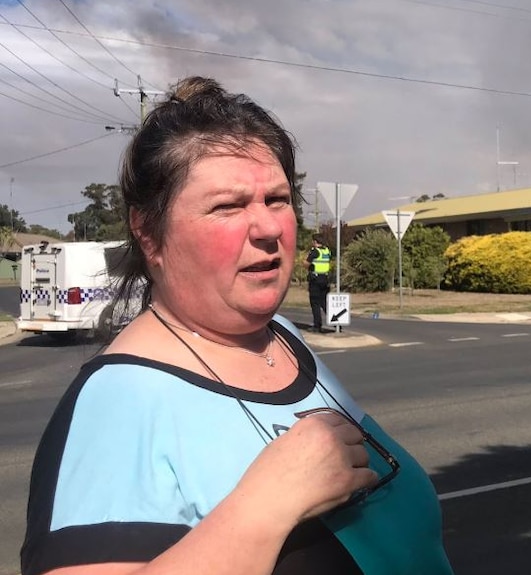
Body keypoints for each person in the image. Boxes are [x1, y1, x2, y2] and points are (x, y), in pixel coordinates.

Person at [21, 77, 454, 575]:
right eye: (228, 206)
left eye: (277, 199)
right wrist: (265, 506)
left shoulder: (283, 339)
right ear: (148, 233)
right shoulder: (117, 400)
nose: (268, 228)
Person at [305, 234, 331, 332]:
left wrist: (308, 258)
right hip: (325, 278)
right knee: (324, 302)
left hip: (315, 279)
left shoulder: (315, 252)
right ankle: (336, 323)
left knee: (315, 303)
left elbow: (306, 264)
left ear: (315, 242)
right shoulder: (327, 251)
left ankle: (317, 325)